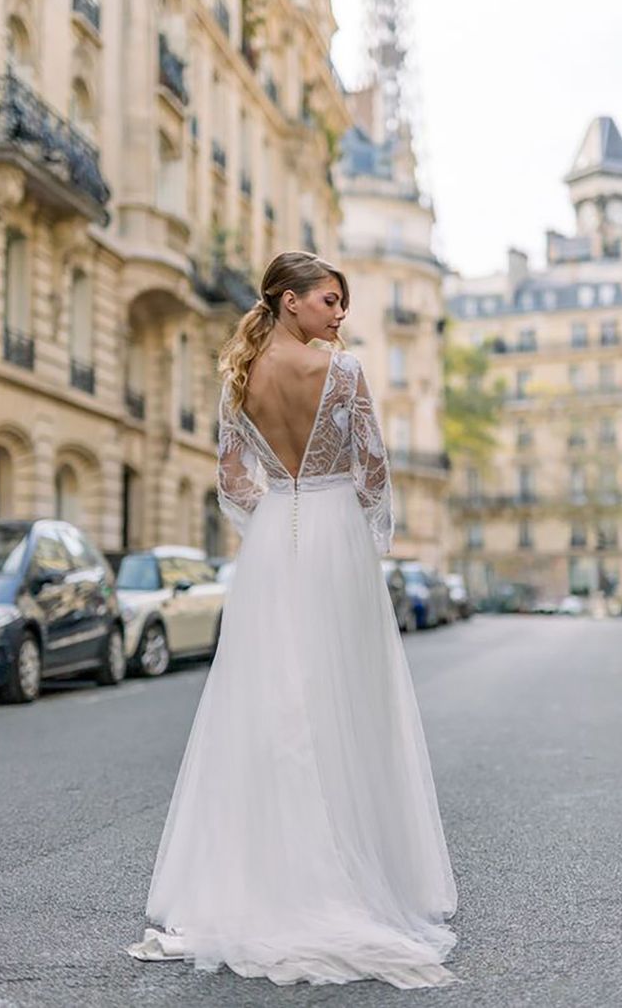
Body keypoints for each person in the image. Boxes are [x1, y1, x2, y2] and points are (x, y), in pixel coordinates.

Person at [128, 251, 458, 988]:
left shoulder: (240, 377)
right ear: (289, 302)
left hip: (274, 540)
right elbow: (373, 470)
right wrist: (354, 521)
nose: (340, 315)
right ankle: (349, 874)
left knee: (269, 702)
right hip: (334, 532)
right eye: (330, 301)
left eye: (342, 303)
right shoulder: (342, 372)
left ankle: (263, 876)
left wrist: (281, 507)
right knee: (347, 699)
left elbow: (232, 483)